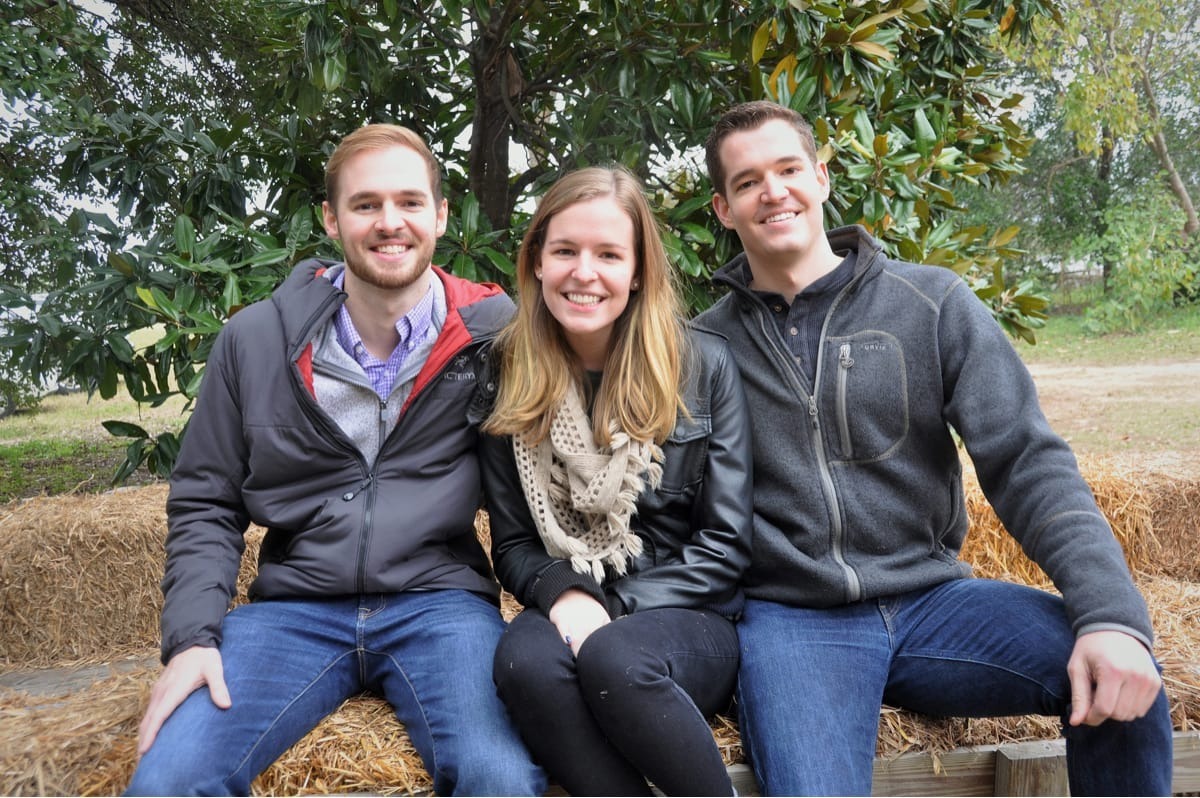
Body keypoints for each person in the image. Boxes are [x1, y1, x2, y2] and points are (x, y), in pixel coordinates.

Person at [694, 100, 1174, 796]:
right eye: (747, 182)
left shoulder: (931, 303)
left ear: (822, 178)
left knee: (1123, 676)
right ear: (723, 209)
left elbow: (1026, 462)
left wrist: (1112, 617)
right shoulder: (702, 347)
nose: (773, 191)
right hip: (794, 624)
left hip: (935, 603)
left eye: (788, 168)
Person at [124, 123, 545, 797]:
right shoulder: (256, 339)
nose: (390, 223)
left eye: (410, 202)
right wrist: (193, 641)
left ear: (440, 215)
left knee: (499, 776)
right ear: (331, 218)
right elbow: (207, 499)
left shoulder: (496, 339)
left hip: (440, 605)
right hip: (293, 609)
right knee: (165, 781)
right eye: (365, 204)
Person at [476, 166, 753, 796]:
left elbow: (725, 543)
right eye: (566, 251)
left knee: (614, 656)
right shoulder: (507, 371)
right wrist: (568, 593)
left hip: (688, 614)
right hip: (572, 601)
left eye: (608, 254)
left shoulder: (700, 365)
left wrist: (611, 609)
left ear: (637, 272)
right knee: (523, 664)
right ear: (537, 262)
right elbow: (515, 546)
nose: (584, 272)